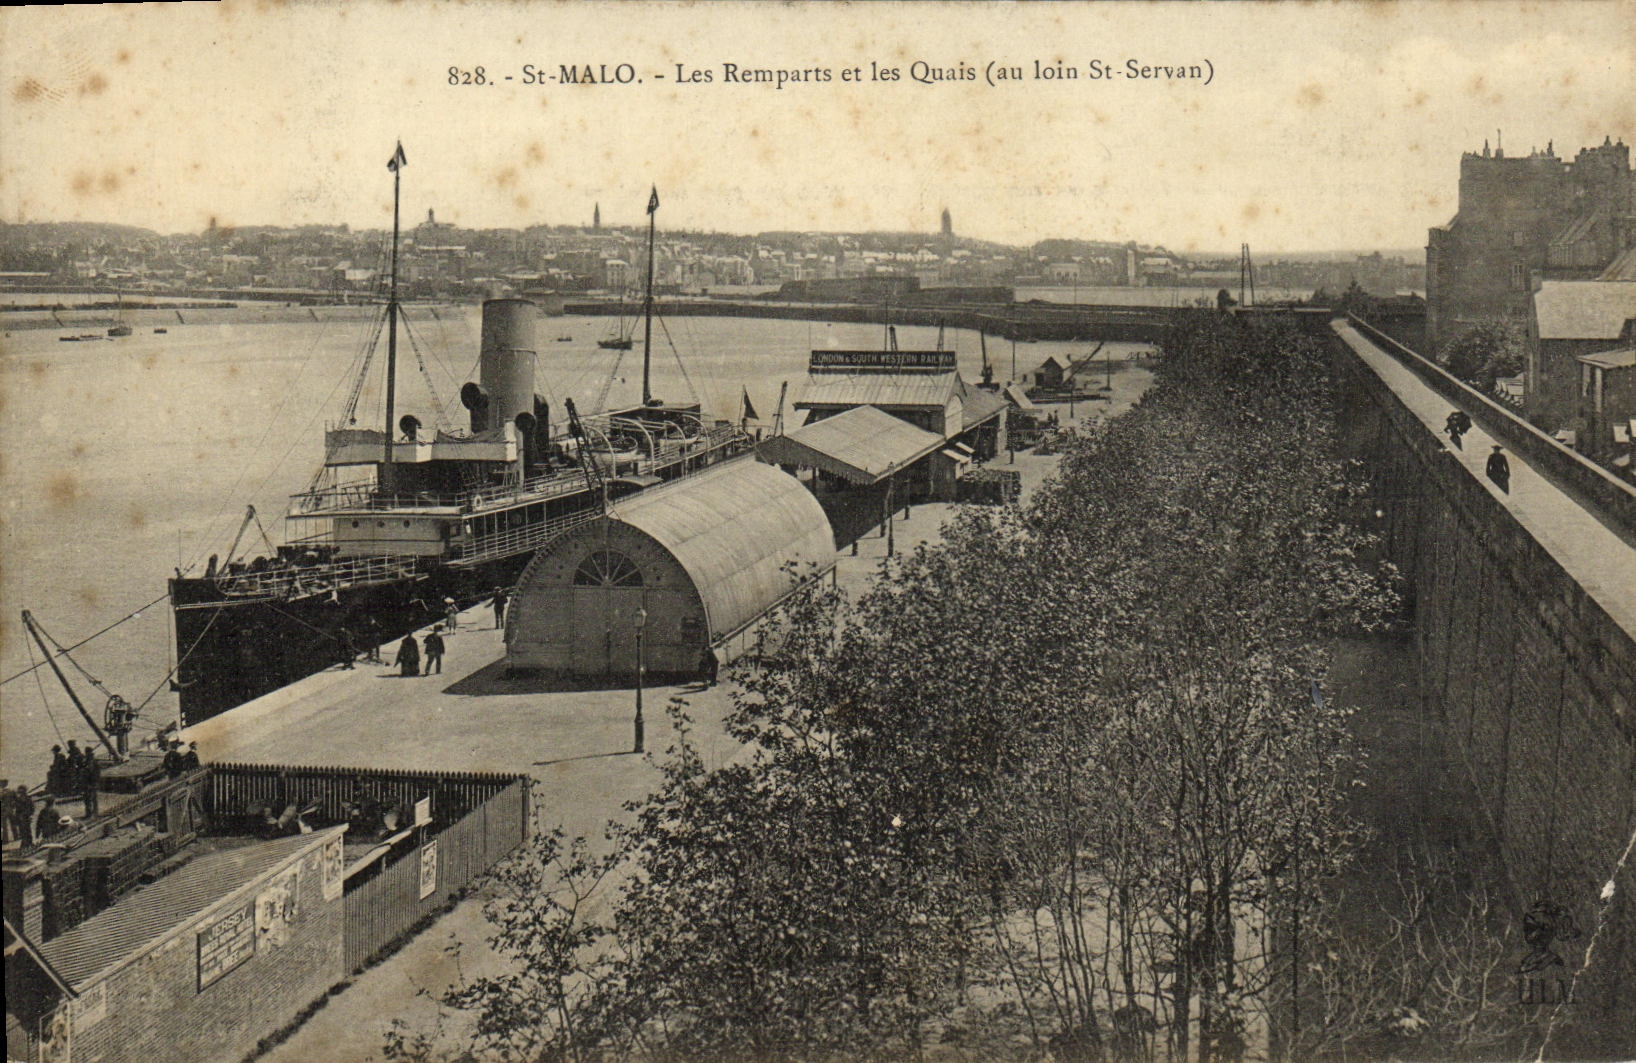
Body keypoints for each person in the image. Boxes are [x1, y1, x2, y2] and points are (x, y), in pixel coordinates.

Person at [80, 751, 101, 817]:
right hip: (88, 784)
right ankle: (89, 813)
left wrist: (93, 784)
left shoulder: (94, 764)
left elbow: (96, 775)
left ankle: (94, 813)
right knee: (88, 799)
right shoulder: (87, 763)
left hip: (92, 783)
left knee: (92, 799)